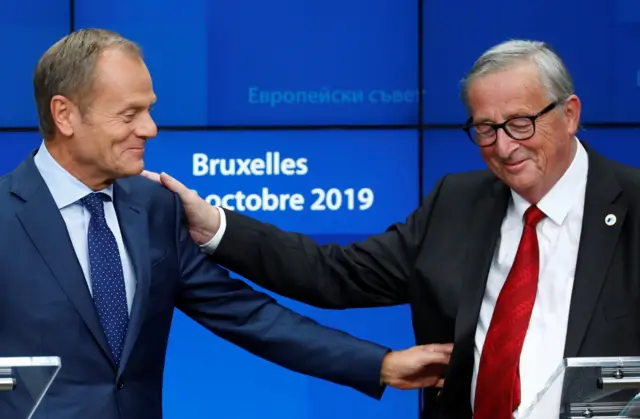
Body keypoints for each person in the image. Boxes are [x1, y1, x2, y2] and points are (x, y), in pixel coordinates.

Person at [143, 39, 640, 419]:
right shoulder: (457, 202)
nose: (504, 146)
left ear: (569, 114)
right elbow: (333, 274)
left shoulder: (633, 205)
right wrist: (215, 227)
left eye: (520, 123)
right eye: (485, 128)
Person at [0, 28, 454, 418]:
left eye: (149, 109)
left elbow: (247, 316)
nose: (150, 128)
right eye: (129, 114)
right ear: (64, 115)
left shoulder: (154, 208)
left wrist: (380, 363)